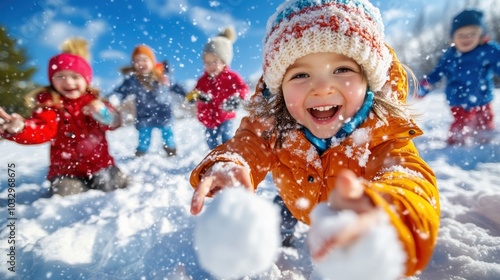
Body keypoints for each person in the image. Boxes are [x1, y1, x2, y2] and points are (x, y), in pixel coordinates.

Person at [189, 0, 440, 278]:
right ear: (280, 89)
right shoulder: (275, 124)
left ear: (369, 79)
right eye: (301, 74)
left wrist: (388, 217)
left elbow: (410, 181)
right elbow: (251, 142)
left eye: (342, 70)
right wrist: (232, 161)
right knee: (282, 216)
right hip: (293, 198)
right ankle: (282, 234)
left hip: (348, 210)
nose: (321, 87)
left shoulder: (381, 134)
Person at [0, 38, 129, 196]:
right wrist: (21, 128)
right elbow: (42, 129)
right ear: (51, 79)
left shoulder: (95, 102)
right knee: (66, 194)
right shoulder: (50, 105)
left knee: (115, 184)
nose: (68, 81)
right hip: (66, 171)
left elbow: (114, 123)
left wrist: (101, 113)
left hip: (100, 165)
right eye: (60, 76)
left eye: (75, 77)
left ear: (86, 80)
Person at [419, 8, 500, 145]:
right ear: (453, 38)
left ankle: (484, 141)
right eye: (461, 35)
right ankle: (456, 142)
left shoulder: (487, 51)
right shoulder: (451, 55)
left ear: (481, 36)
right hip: (458, 98)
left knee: (484, 121)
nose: (466, 38)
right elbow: (438, 71)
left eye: (472, 34)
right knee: (461, 123)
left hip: (482, 97)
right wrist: (426, 83)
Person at [186, 27, 249, 150]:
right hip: (208, 118)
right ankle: (216, 158)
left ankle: (229, 156)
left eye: (215, 62)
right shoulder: (202, 80)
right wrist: (196, 96)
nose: (211, 66)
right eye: (207, 63)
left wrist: (237, 98)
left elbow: (243, 88)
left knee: (227, 137)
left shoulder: (232, 77)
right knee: (211, 142)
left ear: (224, 62)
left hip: (225, 114)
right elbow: (191, 95)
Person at [112, 44, 177, 157]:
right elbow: (121, 91)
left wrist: (189, 95)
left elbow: (176, 87)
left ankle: (170, 148)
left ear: (152, 62)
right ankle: (142, 151)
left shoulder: (163, 76)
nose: (140, 63)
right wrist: (115, 98)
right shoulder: (133, 80)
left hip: (163, 112)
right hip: (144, 114)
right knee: (144, 135)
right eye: (137, 61)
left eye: (144, 60)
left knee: (167, 133)